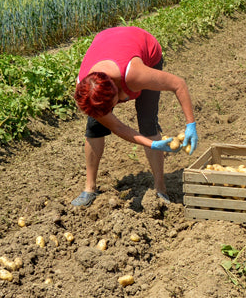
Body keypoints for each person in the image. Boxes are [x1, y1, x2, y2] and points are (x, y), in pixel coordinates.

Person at [72, 26, 198, 206]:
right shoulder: (86, 89)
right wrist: (153, 144)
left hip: (142, 46)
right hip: (106, 42)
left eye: (113, 104)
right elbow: (117, 127)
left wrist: (190, 124)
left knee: (147, 121)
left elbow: (178, 84)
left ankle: (160, 188)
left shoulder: (136, 74)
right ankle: (89, 188)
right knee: (94, 126)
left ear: (116, 89)